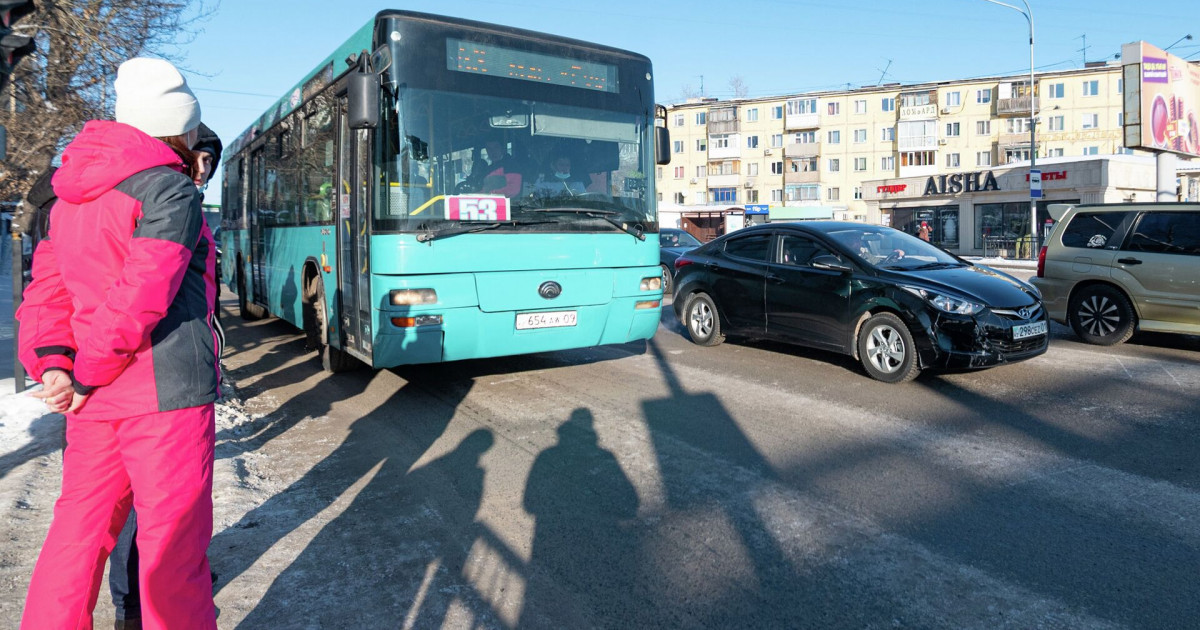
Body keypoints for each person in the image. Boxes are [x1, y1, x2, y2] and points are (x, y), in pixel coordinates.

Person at [16, 57, 219, 629]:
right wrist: (86, 372)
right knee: (170, 547)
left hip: (92, 400)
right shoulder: (169, 191)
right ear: (177, 126)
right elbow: (142, 296)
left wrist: (56, 363)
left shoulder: (69, 197)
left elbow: (46, 292)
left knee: (77, 535)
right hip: (164, 393)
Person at [106, 121, 225, 630]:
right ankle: (132, 606)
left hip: (175, 370)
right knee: (143, 510)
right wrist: (87, 370)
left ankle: (153, 597)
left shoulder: (184, 202)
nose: (204, 169)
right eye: (200, 157)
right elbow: (139, 292)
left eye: (210, 164)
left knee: (166, 513)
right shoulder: (161, 199)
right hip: (149, 378)